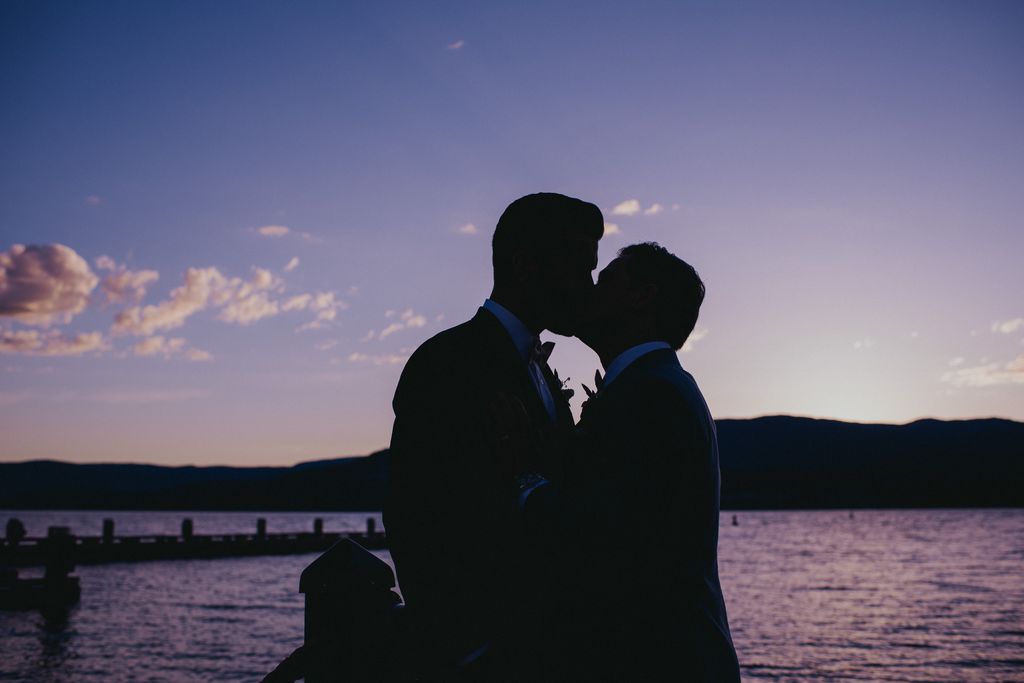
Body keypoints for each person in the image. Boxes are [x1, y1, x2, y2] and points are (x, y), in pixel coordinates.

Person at [384, 192, 604, 678]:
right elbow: (414, 512)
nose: (588, 288)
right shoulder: (445, 363)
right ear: (526, 266)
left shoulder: (542, 370)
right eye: (579, 269)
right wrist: (469, 649)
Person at [501, 242, 740, 682]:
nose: (587, 289)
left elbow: (606, 532)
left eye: (606, 279)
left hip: (660, 662)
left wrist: (524, 478)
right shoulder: (656, 385)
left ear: (641, 297)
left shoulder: (651, 395)